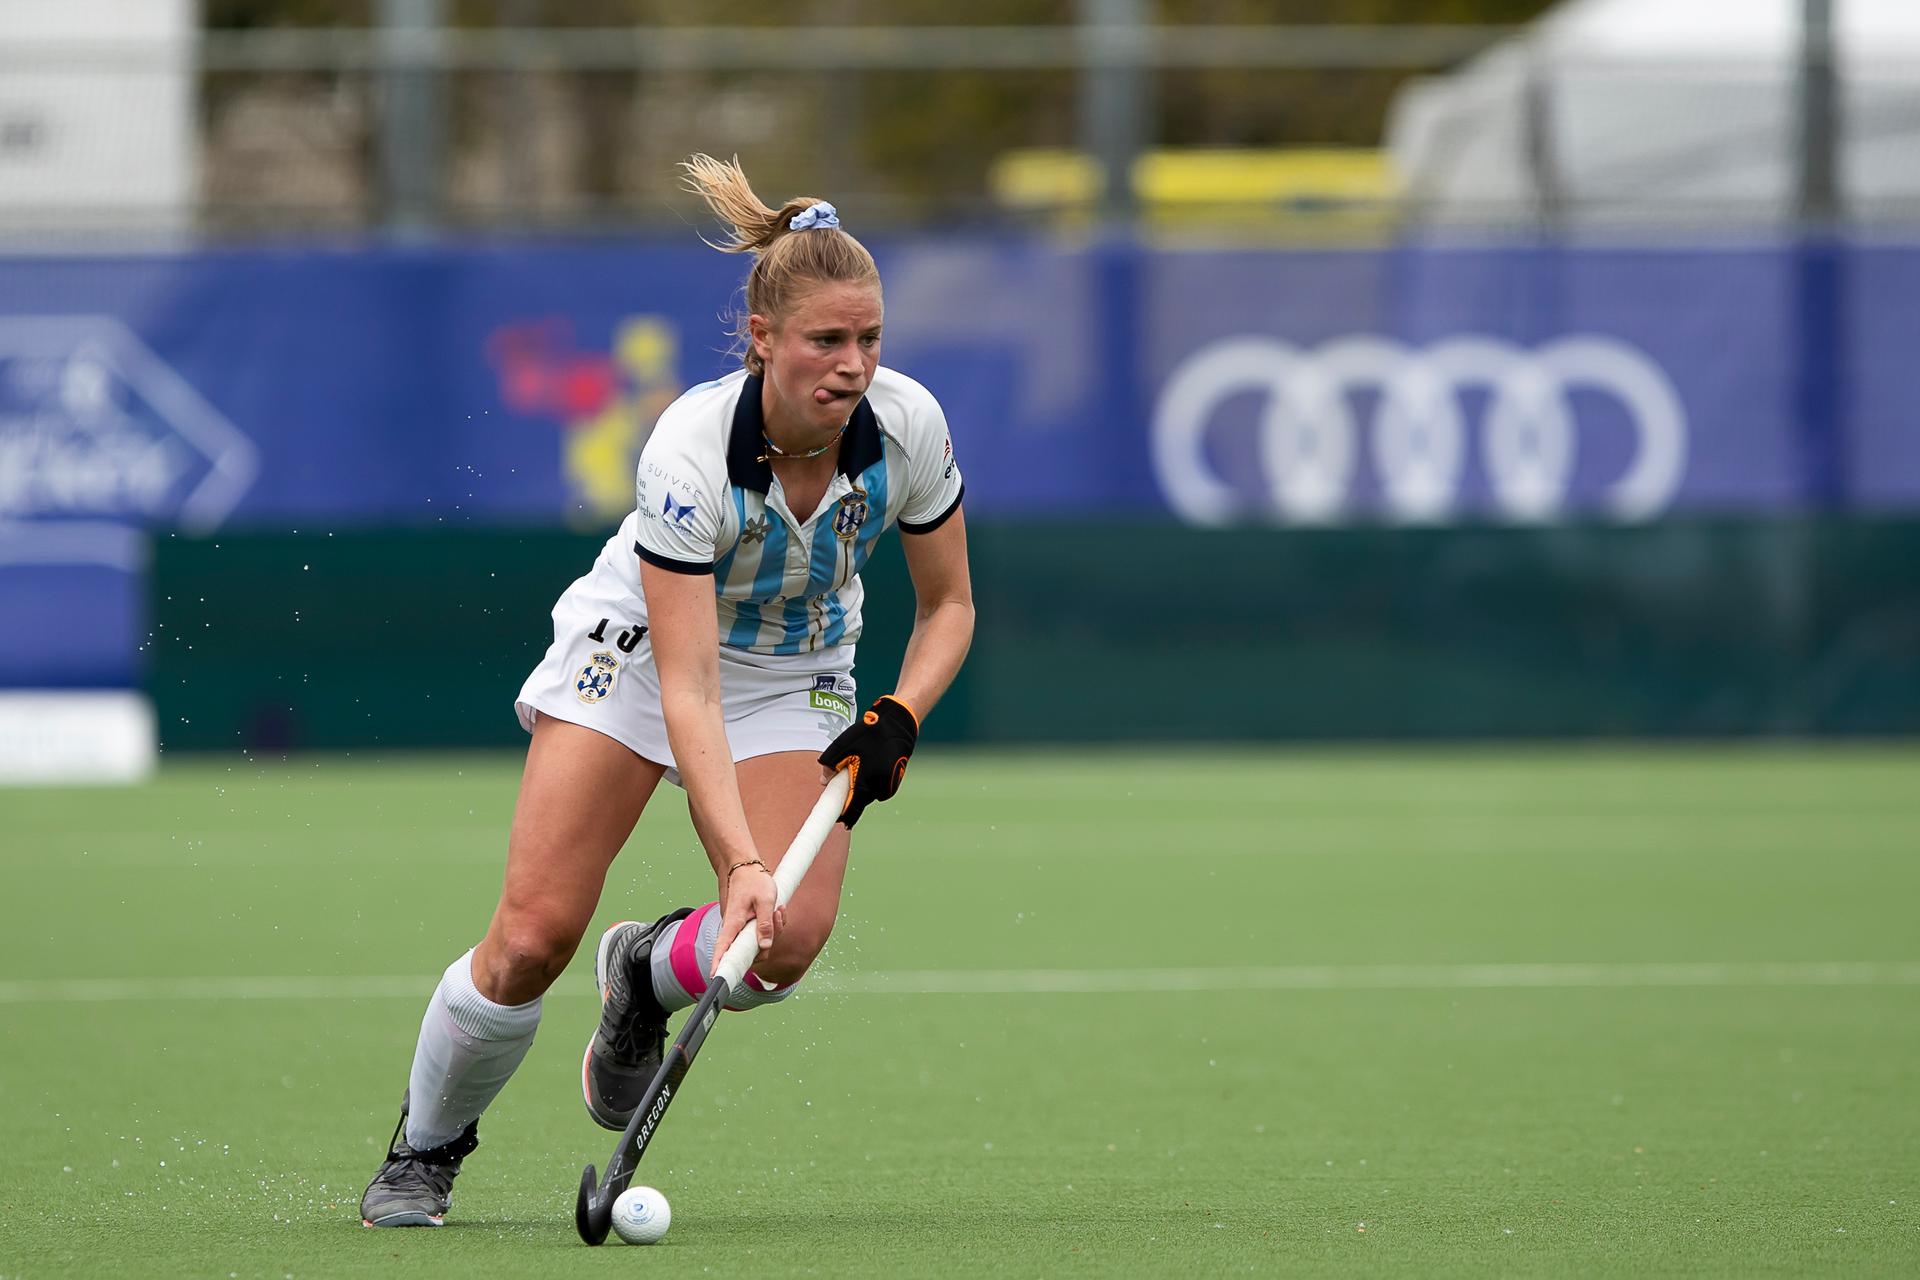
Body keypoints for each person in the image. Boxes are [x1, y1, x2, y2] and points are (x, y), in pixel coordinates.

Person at [359, 154, 973, 1228]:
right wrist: (737, 857)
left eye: (869, 339)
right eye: (828, 340)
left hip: (795, 670)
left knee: (781, 943)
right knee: (533, 935)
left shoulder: (910, 426)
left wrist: (901, 711)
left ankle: (645, 972)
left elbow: (950, 605)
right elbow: (687, 687)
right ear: (764, 337)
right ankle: (424, 1147)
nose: (854, 364)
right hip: (645, 650)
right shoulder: (690, 450)